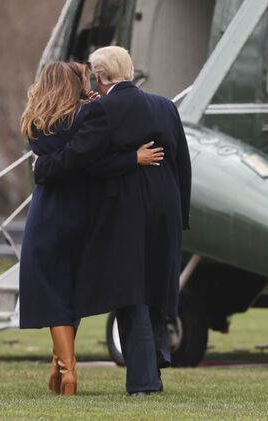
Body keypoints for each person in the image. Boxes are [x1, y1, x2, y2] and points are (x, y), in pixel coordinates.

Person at [34, 47, 192, 396]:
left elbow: (81, 160)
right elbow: (182, 162)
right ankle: (155, 362)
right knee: (154, 289)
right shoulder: (165, 106)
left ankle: (143, 381)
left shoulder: (102, 110)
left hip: (126, 210)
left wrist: (42, 167)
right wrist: (182, 212)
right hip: (166, 208)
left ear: (101, 77)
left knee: (130, 293)